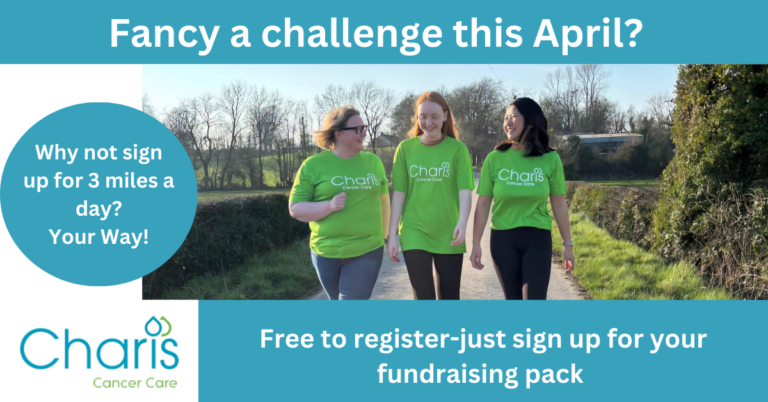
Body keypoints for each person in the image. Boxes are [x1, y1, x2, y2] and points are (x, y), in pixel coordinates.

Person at [469, 97, 575, 300]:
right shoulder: (494, 158)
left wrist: (567, 245)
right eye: (506, 117)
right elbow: (483, 204)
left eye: (514, 116)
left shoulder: (550, 159)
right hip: (503, 239)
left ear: (531, 121)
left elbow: (559, 204)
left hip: (537, 238)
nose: (508, 121)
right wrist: (475, 244)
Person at [289, 105, 390, 300]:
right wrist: (328, 206)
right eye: (358, 129)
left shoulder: (373, 162)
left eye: (364, 127)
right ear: (339, 134)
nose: (364, 133)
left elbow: (384, 202)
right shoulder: (312, 166)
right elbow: (296, 209)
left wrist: (386, 237)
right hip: (325, 252)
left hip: (367, 248)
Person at [387, 91, 474, 299]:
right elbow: (399, 195)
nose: (428, 122)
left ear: (445, 116)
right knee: (423, 297)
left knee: (449, 297)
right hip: (414, 231)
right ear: (416, 118)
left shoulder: (458, 149)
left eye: (435, 116)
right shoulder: (405, 149)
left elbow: (465, 191)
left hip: (449, 232)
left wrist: (462, 222)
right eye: (423, 116)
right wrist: (392, 235)